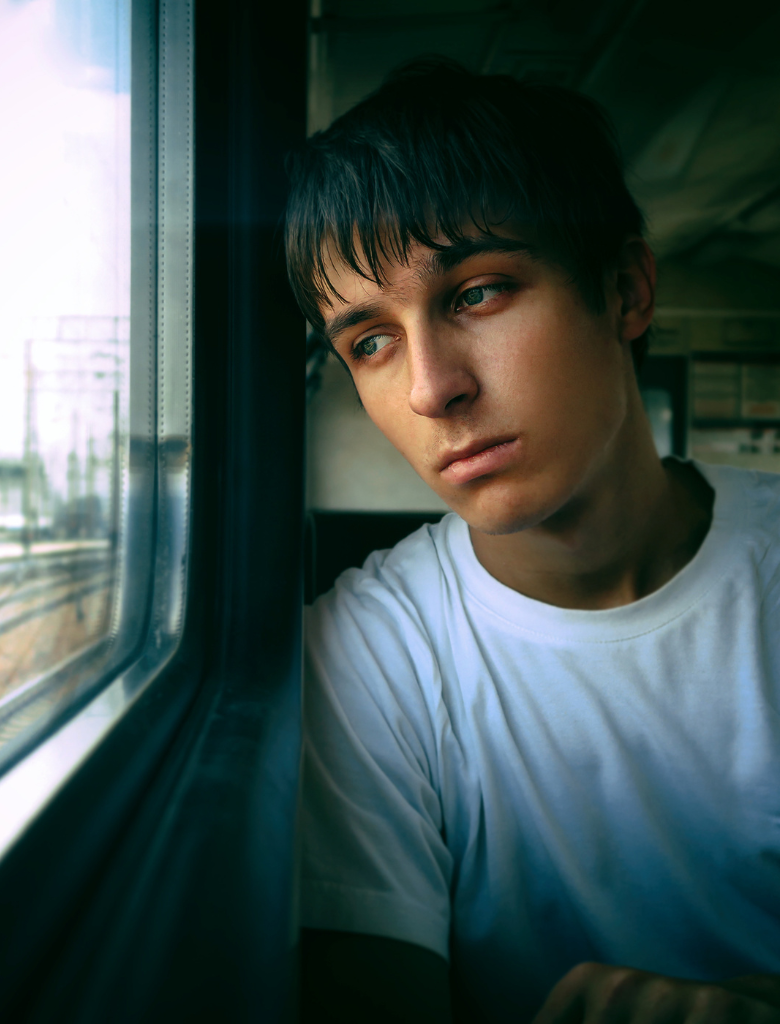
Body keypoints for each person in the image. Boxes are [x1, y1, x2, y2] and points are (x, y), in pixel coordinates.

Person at [286, 57, 780, 1023]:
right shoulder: (365, 657)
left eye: (477, 292)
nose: (433, 388)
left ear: (626, 290)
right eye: (370, 342)